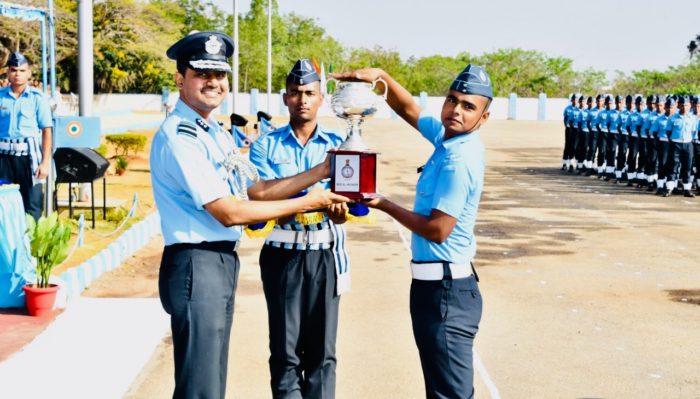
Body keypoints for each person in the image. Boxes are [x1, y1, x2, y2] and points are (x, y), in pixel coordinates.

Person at [149, 32, 348, 399]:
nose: (214, 83)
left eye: (220, 75)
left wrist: (321, 180)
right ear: (180, 79)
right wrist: (309, 201)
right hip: (197, 261)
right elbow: (229, 211)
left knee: (210, 380)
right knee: (200, 386)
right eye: (202, 74)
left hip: (219, 261)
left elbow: (250, 191)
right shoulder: (181, 136)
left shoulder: (214, 133)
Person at [331, 64, 491, 398]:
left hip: (447, 291)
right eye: (452, 100)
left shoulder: (458, 159)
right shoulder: (448, 139)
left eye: (468, 106)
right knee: (441, 389)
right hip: (434, 287)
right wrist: (381, 76)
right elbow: (409, 109)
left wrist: (384, 204)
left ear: (483, 118)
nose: (456, 110)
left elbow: (437, 229)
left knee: (451, 393)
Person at [248, 59, 349, 399]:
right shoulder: (266, 144)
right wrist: (319, 175)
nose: (302, 100)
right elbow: (259, 193)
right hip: (282, 257)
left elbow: (350, 205)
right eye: (295, 93)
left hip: (324, 255)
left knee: (322, 353)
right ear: (284, 98)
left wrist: (339, 211)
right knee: (285, 352)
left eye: (309, 93)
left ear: (322, 98)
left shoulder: (340, 145)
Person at [0, 52, 53, 221]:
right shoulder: (1, 97)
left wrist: (45, 162)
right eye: (14, 70)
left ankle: (32, 246)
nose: (17, 74)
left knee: (32, 204)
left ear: (29, 73)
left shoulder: (38, 98)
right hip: (3, 158)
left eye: (22, 70)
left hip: (29, 158)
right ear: (7, 72)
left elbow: (46, 131)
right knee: (3, 204)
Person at [666, 95, 697, 197]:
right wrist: (675, 140)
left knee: (687, 167)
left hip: (688, 144)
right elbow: (668, 132)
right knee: (673, 166)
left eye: (687, 105)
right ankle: (669, 188)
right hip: (675, 143)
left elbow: (693, 132)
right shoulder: (672, 118)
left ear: (689, 106)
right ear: (678, 105)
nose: (685, 107)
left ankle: (687, 189)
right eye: (682, 105)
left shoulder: (693, 118)